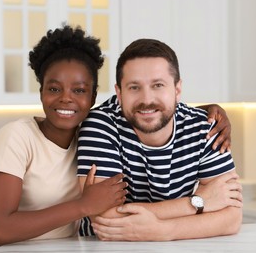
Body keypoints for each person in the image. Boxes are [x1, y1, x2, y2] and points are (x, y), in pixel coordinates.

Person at [0, 25, 232, 246]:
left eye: (79, 90)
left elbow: (232, 214)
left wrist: (205, 113)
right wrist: (199, 203)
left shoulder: (85, 132)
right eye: (54, 88)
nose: (66, 98)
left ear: (92, 98)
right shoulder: (19, 136)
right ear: (40, 92)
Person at [77, 38, 243, 241]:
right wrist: (199, 202)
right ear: (119, 93)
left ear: (177, 90)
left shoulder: (205, 126)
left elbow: (232, 216)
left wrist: (165, 231)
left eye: (158, 85)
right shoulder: (101, 125)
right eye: (134, 87)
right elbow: (105, 217)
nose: (147, 100)